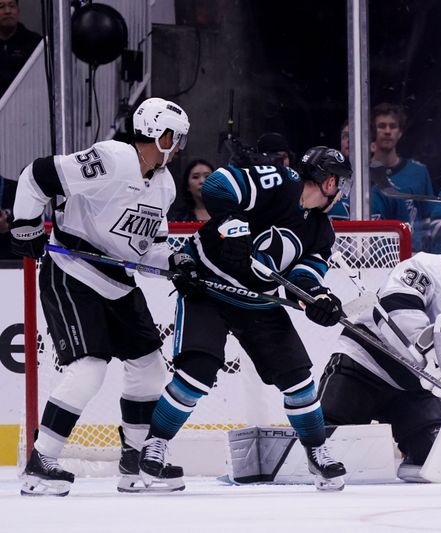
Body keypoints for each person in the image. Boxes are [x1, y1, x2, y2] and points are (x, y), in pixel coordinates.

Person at [137, 146, 353, 492]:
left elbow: (304, 276)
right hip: (207, 283)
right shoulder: (280, 182)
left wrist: (319, 299)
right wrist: (232, 226)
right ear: (328, 182)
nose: (342, 193)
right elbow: (218, 185)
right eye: (340, 184)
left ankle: (316, 450)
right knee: (197, 372)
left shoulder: (322, 232)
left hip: (257, 302)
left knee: (298, 379)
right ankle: (154, 446)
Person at [12, 97, 191, 496]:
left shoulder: (164, 185)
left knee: (148, 366)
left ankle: (135, 461)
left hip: (117, 278)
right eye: (174, 138)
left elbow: (148, 250)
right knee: (89, 368)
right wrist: (25, 225)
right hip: (72, 270)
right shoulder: (113, 159)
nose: (178, 146)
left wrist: (176, 260)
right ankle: (41, 463)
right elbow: (36, 175)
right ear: (159, 135)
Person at [319, 234, 441, 482]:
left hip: (410, 390)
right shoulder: (425, 267)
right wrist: (429, 352)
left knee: (438, 463)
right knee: (327, 450)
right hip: (363, 368)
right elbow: (396, 310)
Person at [369, 102, 435, 252]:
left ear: (400, 133)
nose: (387, 131)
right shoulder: (360, 175)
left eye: (392, 126)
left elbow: (428, 222)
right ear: (372, 132)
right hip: (371, 260)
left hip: (412, 257)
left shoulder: (418, 172)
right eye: (381, 126)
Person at [0, 0, 41, 97]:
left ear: (18, 11)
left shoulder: (36, 44)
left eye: (12, 6)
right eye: (1, 7)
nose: (8, 11)